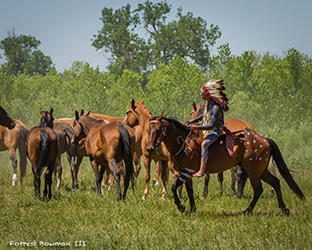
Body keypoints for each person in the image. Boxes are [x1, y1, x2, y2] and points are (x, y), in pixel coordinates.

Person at [188, 79, 229, 178]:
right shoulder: (208, 104)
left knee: (204, 144)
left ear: (208, 94)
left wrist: (196, 127)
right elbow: (204, 114)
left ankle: (202, 170)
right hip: (208, 130)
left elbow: (211, 126)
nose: (201, 96)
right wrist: (192, 121)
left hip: (216, 131)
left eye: (202, 94)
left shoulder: (216, 108)